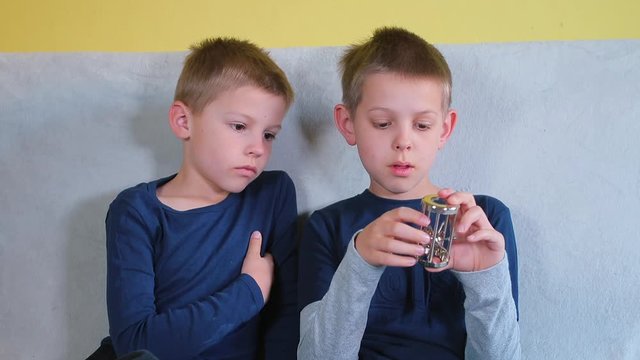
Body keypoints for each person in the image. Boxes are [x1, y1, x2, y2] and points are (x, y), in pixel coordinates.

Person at [297, 27, 521, 359]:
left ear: (444, 129)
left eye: (422, 125)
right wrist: (359, 262)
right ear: (348, 124)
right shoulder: (327, 226)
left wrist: (485, 279)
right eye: (383, 123)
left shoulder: (481, 221)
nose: (404, 141)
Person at [103, 36, 298, 359]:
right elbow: (135, 343)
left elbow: (288, 315)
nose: (258, 148)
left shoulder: (272, 194)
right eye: (239, 126)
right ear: (183, 121)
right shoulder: (135, 212)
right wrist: (249, 291)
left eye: (269, 134)